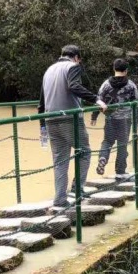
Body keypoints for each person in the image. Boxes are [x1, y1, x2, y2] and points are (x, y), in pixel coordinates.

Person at [38, 45, 106, 211]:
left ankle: (60, 199)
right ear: (76, 57)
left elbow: (41, 101)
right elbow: (74, 86)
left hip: (50, 119)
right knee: (84, 151)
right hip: (70, 118)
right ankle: (77, 189)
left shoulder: (49, 70)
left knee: (60, 159)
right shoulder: (73, 67)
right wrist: (96, 100)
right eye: (79, 59)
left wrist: (42, 126)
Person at [91, 59, 138, 177]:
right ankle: (120, 171)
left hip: (110, 119)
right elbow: (136, 104)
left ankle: (103, 158)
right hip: (125, 120)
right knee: (122, 144)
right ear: (126, 70)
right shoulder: (131, 85)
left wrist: (94, 116)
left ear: (114, 69)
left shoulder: (106, 84)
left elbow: (99, 100)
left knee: (107, 141)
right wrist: (137, 120)